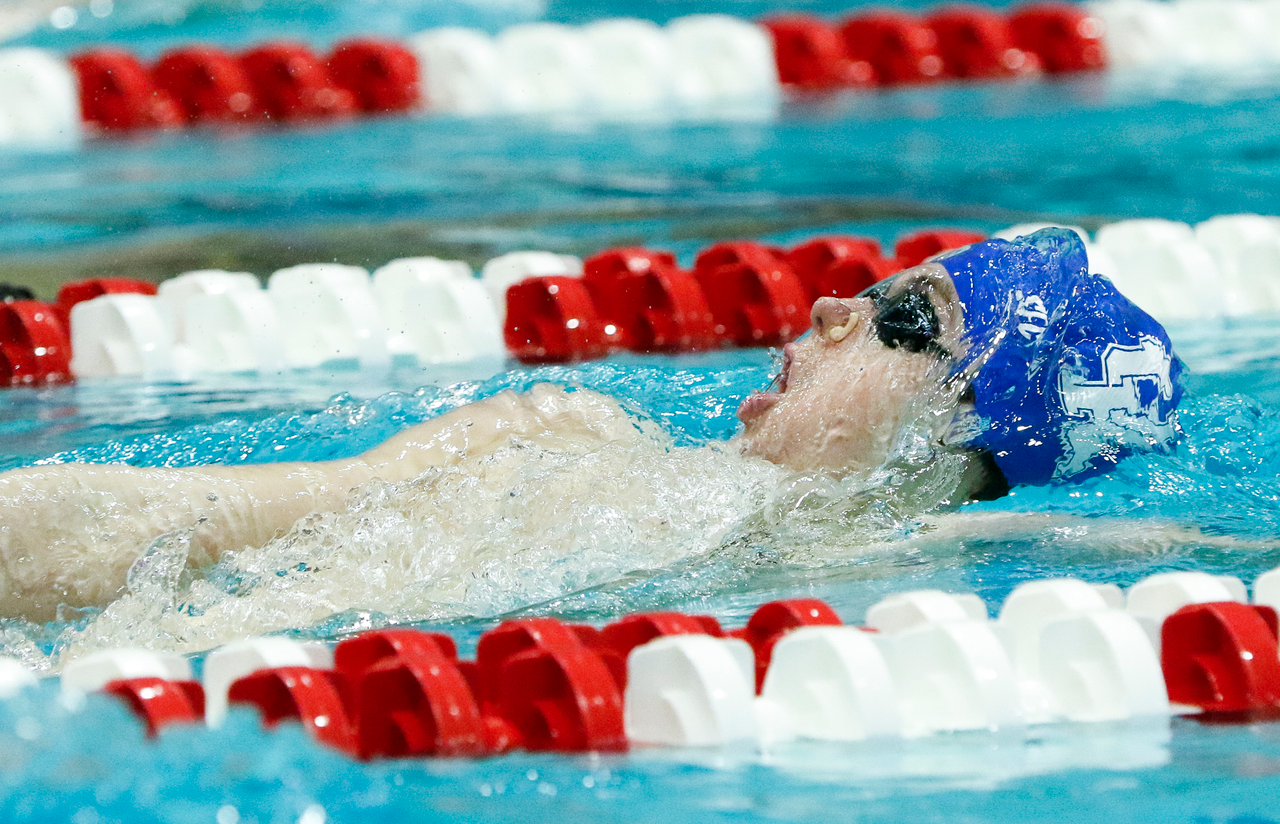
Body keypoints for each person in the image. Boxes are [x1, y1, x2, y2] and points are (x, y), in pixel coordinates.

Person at [0, 228, 1183, 625]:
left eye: (899, 318)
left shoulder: (912, 575)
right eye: (869, 286)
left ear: (965, 428)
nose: (830, 304)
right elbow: (181, 520)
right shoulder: (555, 429)